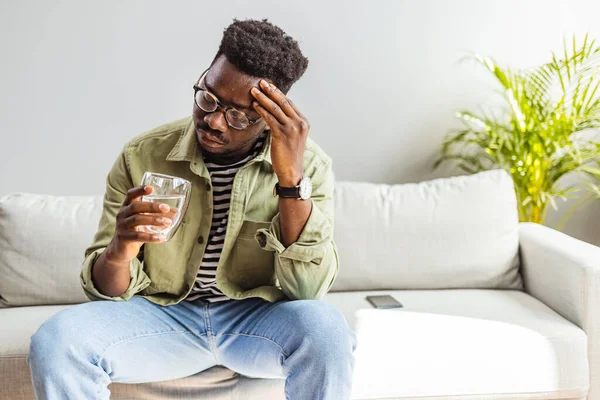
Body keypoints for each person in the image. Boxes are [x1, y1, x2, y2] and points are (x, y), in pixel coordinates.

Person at [26, 18, 357, 400]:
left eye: (237, 115)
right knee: (57, 340)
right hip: (162, 319)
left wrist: (289, 178)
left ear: (268, 119)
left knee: (328, 330)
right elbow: (105, 294)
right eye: (208, 98)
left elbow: (308, 291)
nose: (213, 121)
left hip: (257, 323)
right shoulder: (143, 155)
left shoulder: (309, 166)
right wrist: (120, 249)